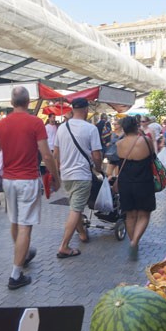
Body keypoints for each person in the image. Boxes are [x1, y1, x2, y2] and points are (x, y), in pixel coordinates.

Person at [0, 86, 60, 289]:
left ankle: (24, 254)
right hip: (28, 180)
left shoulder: (1, 125)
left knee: (15, 221)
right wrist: (55, 176)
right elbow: (46, 155)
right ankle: (15, 275)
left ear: (12, 102)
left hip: (9, 181)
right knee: (25, 228)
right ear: (28, 102)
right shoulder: (36, 123)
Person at [54, 98, 102, 259]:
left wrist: (59, 172)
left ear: (73, 109)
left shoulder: (62, 128)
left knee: (76, 207)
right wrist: (98, 168)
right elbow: (97, 155)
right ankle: (64, 246)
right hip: (81, 174)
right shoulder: (90, 129)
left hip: (66, 175)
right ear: (86, 109)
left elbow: (56, 154)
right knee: (76, 209)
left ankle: (82, 234)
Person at [115, 116, 156, 261]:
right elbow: (153, 157)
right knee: (144, 214)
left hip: (125, 183)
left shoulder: (119, 144)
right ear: (136, 126)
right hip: (144, 182)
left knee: (130, 215)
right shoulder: (145, 141)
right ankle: (135, 241)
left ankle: (133, 242)